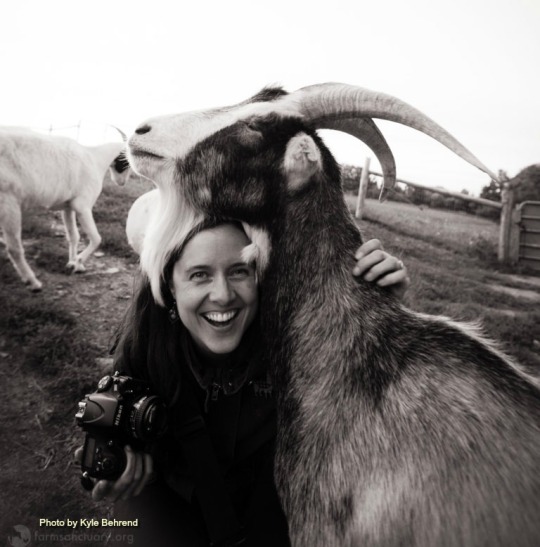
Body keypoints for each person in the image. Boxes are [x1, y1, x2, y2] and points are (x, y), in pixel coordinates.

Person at [76, 220, 409, 546]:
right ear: (170, 286)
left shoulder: (296, 336)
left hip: (270, 502)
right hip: (171, 495)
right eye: (199, 275)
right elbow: (109, 451)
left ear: (259, 277)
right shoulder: (147, 345)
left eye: (239, 271)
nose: (223, 295)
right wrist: (116, 470)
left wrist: (382, 313)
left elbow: (377, 396)